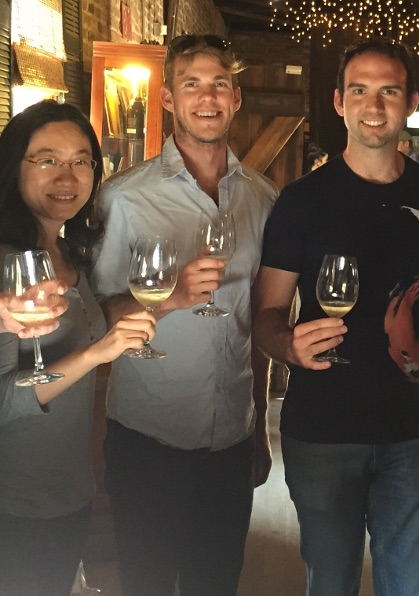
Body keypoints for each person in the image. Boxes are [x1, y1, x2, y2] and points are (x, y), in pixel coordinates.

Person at [254, 37, 419, 596]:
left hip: (414, 430)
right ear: (338, 101)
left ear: (411, 102)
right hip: (322, 430)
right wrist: (289, 346)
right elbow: (268, 314)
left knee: (413, 587)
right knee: (330, 584)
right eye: (360, 91)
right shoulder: (300, 201)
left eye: (389, 91)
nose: (374, 106)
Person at [90, 34, 278, 596]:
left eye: (219, 84)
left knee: (217, 584)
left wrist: (261, 428)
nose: (207, 97)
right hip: (149, 436)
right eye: (191, 84)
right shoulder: (123, 198)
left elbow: (258, 321)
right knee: (145, 584)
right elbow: (101, 312)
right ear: (169, 98)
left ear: (237, 97)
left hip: (232, 439)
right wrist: (167, 297)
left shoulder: (263, 200)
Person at [0, 102, 155, 596]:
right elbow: (7, 398)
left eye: (82, 159)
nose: (68, 175)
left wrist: (173, 299)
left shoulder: (67, 253)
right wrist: (95, 356)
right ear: (12, 166)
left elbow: (99, 328)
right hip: (15, 500)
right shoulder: (8, 267)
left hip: (67, 490)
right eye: (47, 159)